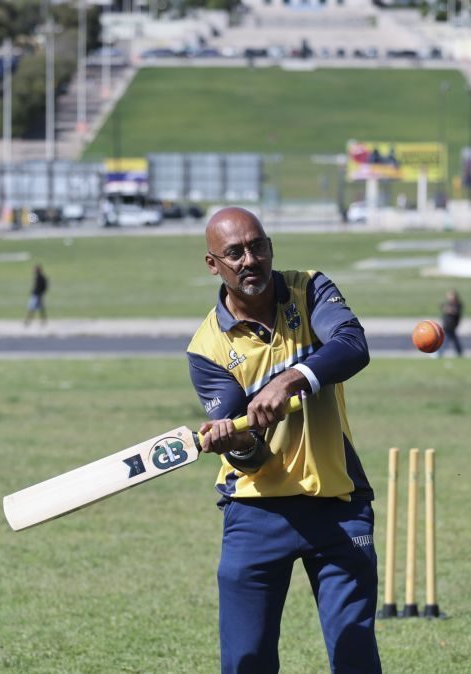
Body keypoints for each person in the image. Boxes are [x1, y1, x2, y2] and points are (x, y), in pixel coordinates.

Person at [187, 207, 380, 674]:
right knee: (246, 660)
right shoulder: (207, 349)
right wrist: (235, 443)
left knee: (355, 656)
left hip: (338, 500)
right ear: (213, 264)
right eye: (235, 253)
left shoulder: (310, 288)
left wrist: (293, 378)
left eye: (258, 246)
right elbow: (250, 460)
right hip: (256, 512)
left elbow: (353, 345)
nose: (250, 260)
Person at [438, 289, 464, 357]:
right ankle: (459, 352)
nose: (449, 297)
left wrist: (447, 308)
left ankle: (439, 353)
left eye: (451, 296)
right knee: (453, 339)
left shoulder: (458, 304)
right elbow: (442, 307)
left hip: (452, 325)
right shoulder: (448, 304)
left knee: (445, 340)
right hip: (446, 325)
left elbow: (454, 311)